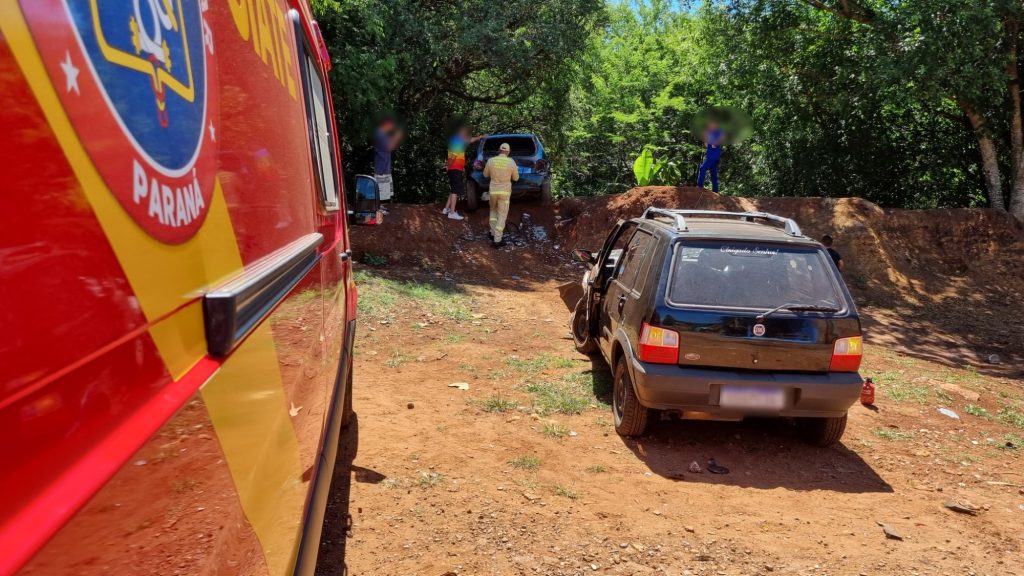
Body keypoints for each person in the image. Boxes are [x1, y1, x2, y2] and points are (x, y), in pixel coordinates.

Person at [443, 123, 487, 221]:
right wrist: (447, 166)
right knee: (455, 191)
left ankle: (446, 209)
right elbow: (453, 156)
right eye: (464, 133)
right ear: (460, 132)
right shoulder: (457, 142)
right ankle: (452, 212)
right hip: (455, 168)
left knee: (453, 189)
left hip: (454, 168)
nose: (466, 135)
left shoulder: (457, 140)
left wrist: (480, 137)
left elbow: (469, 140)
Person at [483, 142, 519, 248]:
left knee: (493, 212)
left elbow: (485, 174)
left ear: (499, 150)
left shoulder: (491, 161)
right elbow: (516, 178)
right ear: (508, 152)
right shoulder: (511, 162)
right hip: (504, 193)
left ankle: (493, 233)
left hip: (493, 192)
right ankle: (497, 240)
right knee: (502, 216)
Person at [373, 117, 402, 203]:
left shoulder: (383, 134)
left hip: (384, 166)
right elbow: (390, 147)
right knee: (380, 189)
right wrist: (396, 137)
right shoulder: (380, 134)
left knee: (383, 189)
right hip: (381, 167)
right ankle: (378, 208)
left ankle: (380, 207)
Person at [697, 120, 724, 193]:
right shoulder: (708, 132)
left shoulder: (719, 131)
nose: (709, 126)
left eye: (711, 124)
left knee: (702, 168)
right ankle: (715, 191)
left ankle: (699, 187)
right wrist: (705, 137)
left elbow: (720, 141)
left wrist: (712, 141)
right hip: (709, 155)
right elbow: (706, 145)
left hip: (714, 156)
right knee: (713, 173)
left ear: (715, 124)